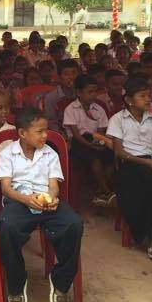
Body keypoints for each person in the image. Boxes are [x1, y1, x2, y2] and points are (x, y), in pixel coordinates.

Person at [0, 107, 83, 302]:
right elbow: (6, 189)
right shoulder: (7, 153)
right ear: (22, 133)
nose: (45, 135)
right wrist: (26, 199)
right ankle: (17, 282)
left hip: (46, 202)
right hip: (19, 201)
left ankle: (61, 281)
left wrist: (51, 199)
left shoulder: (50, 153)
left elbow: (53, 185)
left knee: (74, 224)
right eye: (39, 131)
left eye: (46, 130)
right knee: (6, 227)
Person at [107, 76, 152, 260]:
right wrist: (145, 162)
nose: (148, 99)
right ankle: (151, 233)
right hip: (130, 162)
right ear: (129, 100)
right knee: (146, 180)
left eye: (149, 95)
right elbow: (119, 152)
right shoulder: (118, 119)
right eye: (142, 96)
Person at [63, 74, 113, 206]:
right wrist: (90, 145)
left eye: (95, 91)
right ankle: (107, 191)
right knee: (95, 158)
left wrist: (98, 142)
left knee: (111, 157)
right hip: (79, 142)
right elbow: (75, 134)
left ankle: (100, 191)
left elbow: (101, 131)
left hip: (95, 139)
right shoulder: (71, 109)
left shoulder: (99, 109)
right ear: (79, 92)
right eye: (89, 92)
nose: (93, 95)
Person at [43, 59, 80, 134]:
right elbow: (51, 121)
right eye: (66, 74)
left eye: (74, 73)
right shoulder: (51, 98)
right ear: (59, 77)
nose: (71, 77)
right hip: (62, 134)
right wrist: (61, 134)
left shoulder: (83, 94)